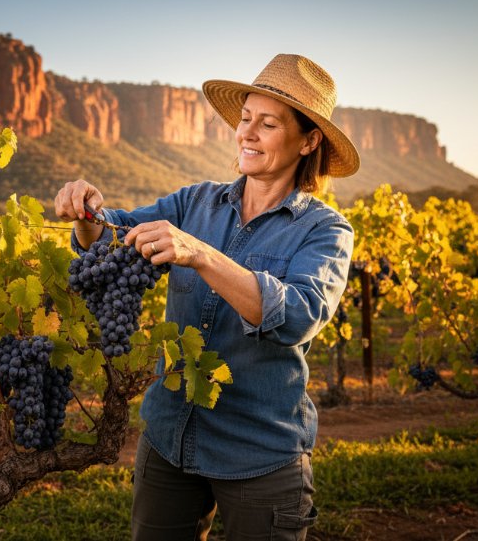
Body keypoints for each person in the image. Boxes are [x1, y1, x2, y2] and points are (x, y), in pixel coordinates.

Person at [54, 54, 359, 541]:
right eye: (244, 119)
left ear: (309, 140)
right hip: (170, 437)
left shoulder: (325, 231)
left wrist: (200, 254)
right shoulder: (194, 202)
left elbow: (297, 317)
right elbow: (113, 240)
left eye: (268, 123)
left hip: (260, 453)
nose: (247, 133)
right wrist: (86, 213)